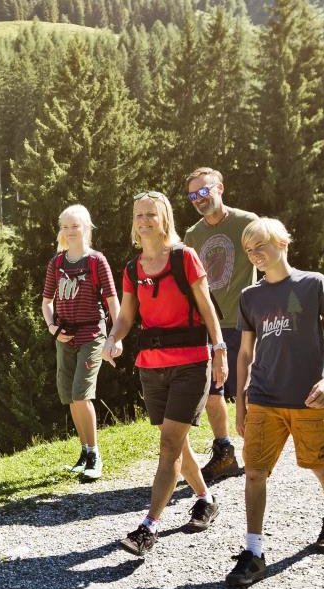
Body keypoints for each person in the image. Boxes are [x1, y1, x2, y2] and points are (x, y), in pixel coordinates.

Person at [224, 217, 324, 589]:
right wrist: (241, 406)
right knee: (254, 472)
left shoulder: (314, 284)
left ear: (282, 242)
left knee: (319, 464)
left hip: (309, 398)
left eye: (260, 245)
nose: (255, 254)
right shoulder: (250, 297)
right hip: (264, 397)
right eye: (249, 250)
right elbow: (245, 354)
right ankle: (253, 552)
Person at [102, 191, 230, 556]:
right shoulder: (132, 268)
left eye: (151, 215)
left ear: (165, 219)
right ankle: (205, 498)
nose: (144, 221)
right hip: (151, 367)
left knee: (169, 445)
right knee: (179, 444)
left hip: (191, 362)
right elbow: (127, 317)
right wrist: (114, 339)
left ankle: (148, 527)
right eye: (139, 215)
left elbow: (208, 309)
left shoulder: (184, 258)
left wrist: (218, 351)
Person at [181, 167, 260, 485]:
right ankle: (225, 452)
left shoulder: (246, 222)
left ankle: (256, 453)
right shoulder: (192, 235)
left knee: (249, 392)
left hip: (243, 321)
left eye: (205, 191)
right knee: (211, 392)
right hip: (209, 325)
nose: (200, 199)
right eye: (193, 195)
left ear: (221, 188)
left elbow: (269, 260)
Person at [41, 205, 119, 481]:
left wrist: (115, 337)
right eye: (66, 226)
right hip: (64, 336)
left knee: (80, 394)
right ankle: (84, 451)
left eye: (75, 226)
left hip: (92, 335)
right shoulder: (57, 263)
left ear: (86, 227)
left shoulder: (97, 261)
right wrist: (53, 329)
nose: (70, 231)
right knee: (70, 397)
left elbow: (112, 301)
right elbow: (46, 302)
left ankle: (95, 453)